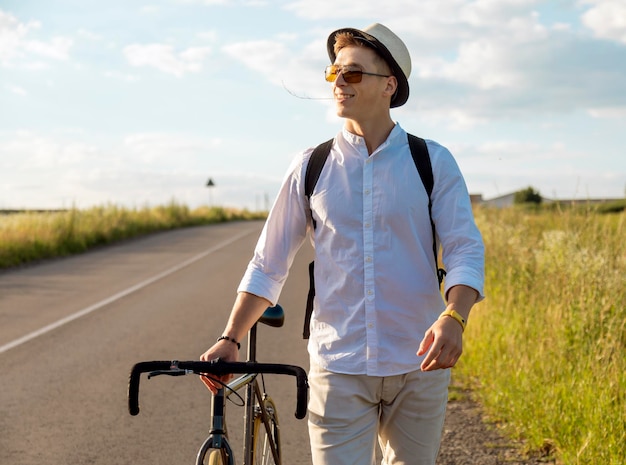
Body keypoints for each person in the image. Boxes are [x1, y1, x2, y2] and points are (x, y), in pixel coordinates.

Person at [200, 23, 485, 465]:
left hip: (419, 366)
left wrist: (455, 316)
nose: (338, 82)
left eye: (352, 73)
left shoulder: (432, 162)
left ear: (389, 85)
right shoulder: (311, 166)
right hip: (339, 367)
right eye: (334, 72)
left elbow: (465, 248)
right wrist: (230, 336)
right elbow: (268, 262)